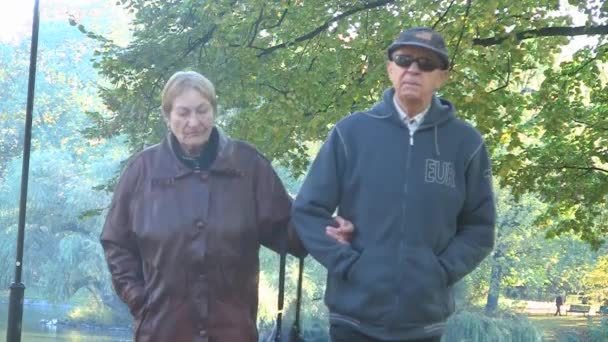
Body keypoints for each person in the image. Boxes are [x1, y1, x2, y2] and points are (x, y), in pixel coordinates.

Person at [100, 71, 354, 342]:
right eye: (183, 113)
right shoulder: (143, 172)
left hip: (233, 331)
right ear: (167, 116)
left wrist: (328, 229)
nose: (193, 122)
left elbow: (288, 228)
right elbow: (116, 241)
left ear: (214, 111)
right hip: (162, 330)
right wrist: (140, 299)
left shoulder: (248, 167)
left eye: (202, 111)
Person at [292, 27, 496, 342]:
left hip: (423, 322)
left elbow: (480, 229)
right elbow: (307, 211)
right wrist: (347, 262)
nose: (413, 69)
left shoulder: (466, 144)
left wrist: (439, 271)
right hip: (352, 318)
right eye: (404, 60)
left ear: (442, 76)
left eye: (426, 63)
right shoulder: (351, 133)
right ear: (390, 68)